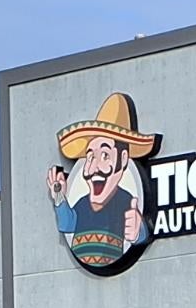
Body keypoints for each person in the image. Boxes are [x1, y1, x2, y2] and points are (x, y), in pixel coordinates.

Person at [48, 92, 156, 270]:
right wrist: (59, 197)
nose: (94, 167)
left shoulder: (126, 202)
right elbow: (68, 224)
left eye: (105, 155)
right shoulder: (82, 204)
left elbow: (138, 228)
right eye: (90, 157)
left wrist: (139, 232)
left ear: (123, 159)